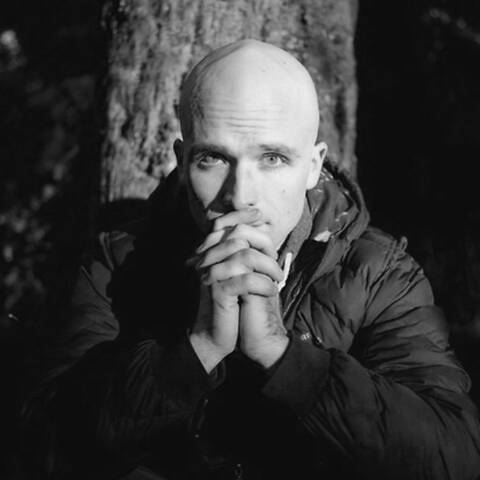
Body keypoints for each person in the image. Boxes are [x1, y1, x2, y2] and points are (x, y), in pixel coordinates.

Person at [24, 39, 480, 479]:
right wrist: (193, 351)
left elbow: (454, 459)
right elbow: (42, 449)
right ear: (182, 163)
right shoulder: (118, 264)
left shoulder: (380, 276)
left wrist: (285, 358)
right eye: (213, 159)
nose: (240, 195)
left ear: (313, 165)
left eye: (273, 158)